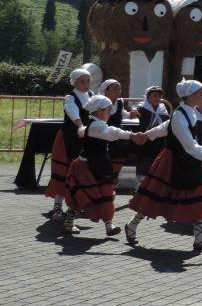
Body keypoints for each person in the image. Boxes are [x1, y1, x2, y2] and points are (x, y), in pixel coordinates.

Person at [124, 80, 202, 250]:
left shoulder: (191, 112)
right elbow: (188, 142)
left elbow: (165, 127)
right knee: (155, 195)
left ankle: (199, 238)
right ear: (190, 95)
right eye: (200, 94)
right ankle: (132, 225)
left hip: (189, 160)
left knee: (196, 198)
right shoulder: (180, 115)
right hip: (173, 161)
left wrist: (148, 135)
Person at [62, 94, 142, 238]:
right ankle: (69, 222)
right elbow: (111, 133)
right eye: (108, 110)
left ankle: (109, 226)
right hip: (86, 166)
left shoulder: (96, 123)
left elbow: (100, 131)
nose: (111, 113)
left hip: (100, 164)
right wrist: (131, 135)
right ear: (99, 111)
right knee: (85, 195)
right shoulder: (95, 125)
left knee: (106, 194)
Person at [45, 68, 95, 223]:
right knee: (63, 173)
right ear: (74, 82)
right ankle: (57, 208)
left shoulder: (92, 95)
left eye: (88, 81)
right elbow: (73, 112)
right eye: (82, 81)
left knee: (81, 173)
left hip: (84, 138)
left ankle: (75, 208)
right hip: (68, 139)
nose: (86, 84)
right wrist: (80, 126)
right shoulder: (70, 97)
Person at [133, 85, 169, 181]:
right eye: (155, 96)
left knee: (157, 163)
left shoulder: (163, 109)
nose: (158, 98)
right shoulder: (142, 108)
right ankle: (141, 182)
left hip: (159, 142)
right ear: (148, 97)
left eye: (159, 96)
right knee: (145, 163)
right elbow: (138, 122)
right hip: (146, 141)